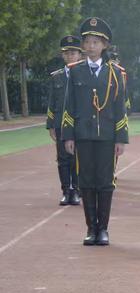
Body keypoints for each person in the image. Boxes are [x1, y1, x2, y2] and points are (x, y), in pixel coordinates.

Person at [62, 18, 129, 246]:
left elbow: (120, 107)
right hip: (83, 135)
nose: (90, 46)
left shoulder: (115, 73)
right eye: (87, 41)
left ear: (104, 45)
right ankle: (91, 228)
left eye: (95, 42)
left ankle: (104, 229)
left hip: (107, 136)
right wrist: (68, 135)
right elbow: (69, 105)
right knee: (86, 182)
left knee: (105, 182)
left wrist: (121, 138)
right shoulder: (76, 72)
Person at [46, 35, 83, 206]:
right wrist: (50, 125)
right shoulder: (56, 77)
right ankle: (65, 191)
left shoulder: (84, 75)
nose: (70, 56)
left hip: (79, 124)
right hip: (61, 123)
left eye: (73, 53)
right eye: (66, 53)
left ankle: (76, 190)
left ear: (80, 55)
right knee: (62, 158)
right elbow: (52, 102)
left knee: (76, 157)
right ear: (62, 55)